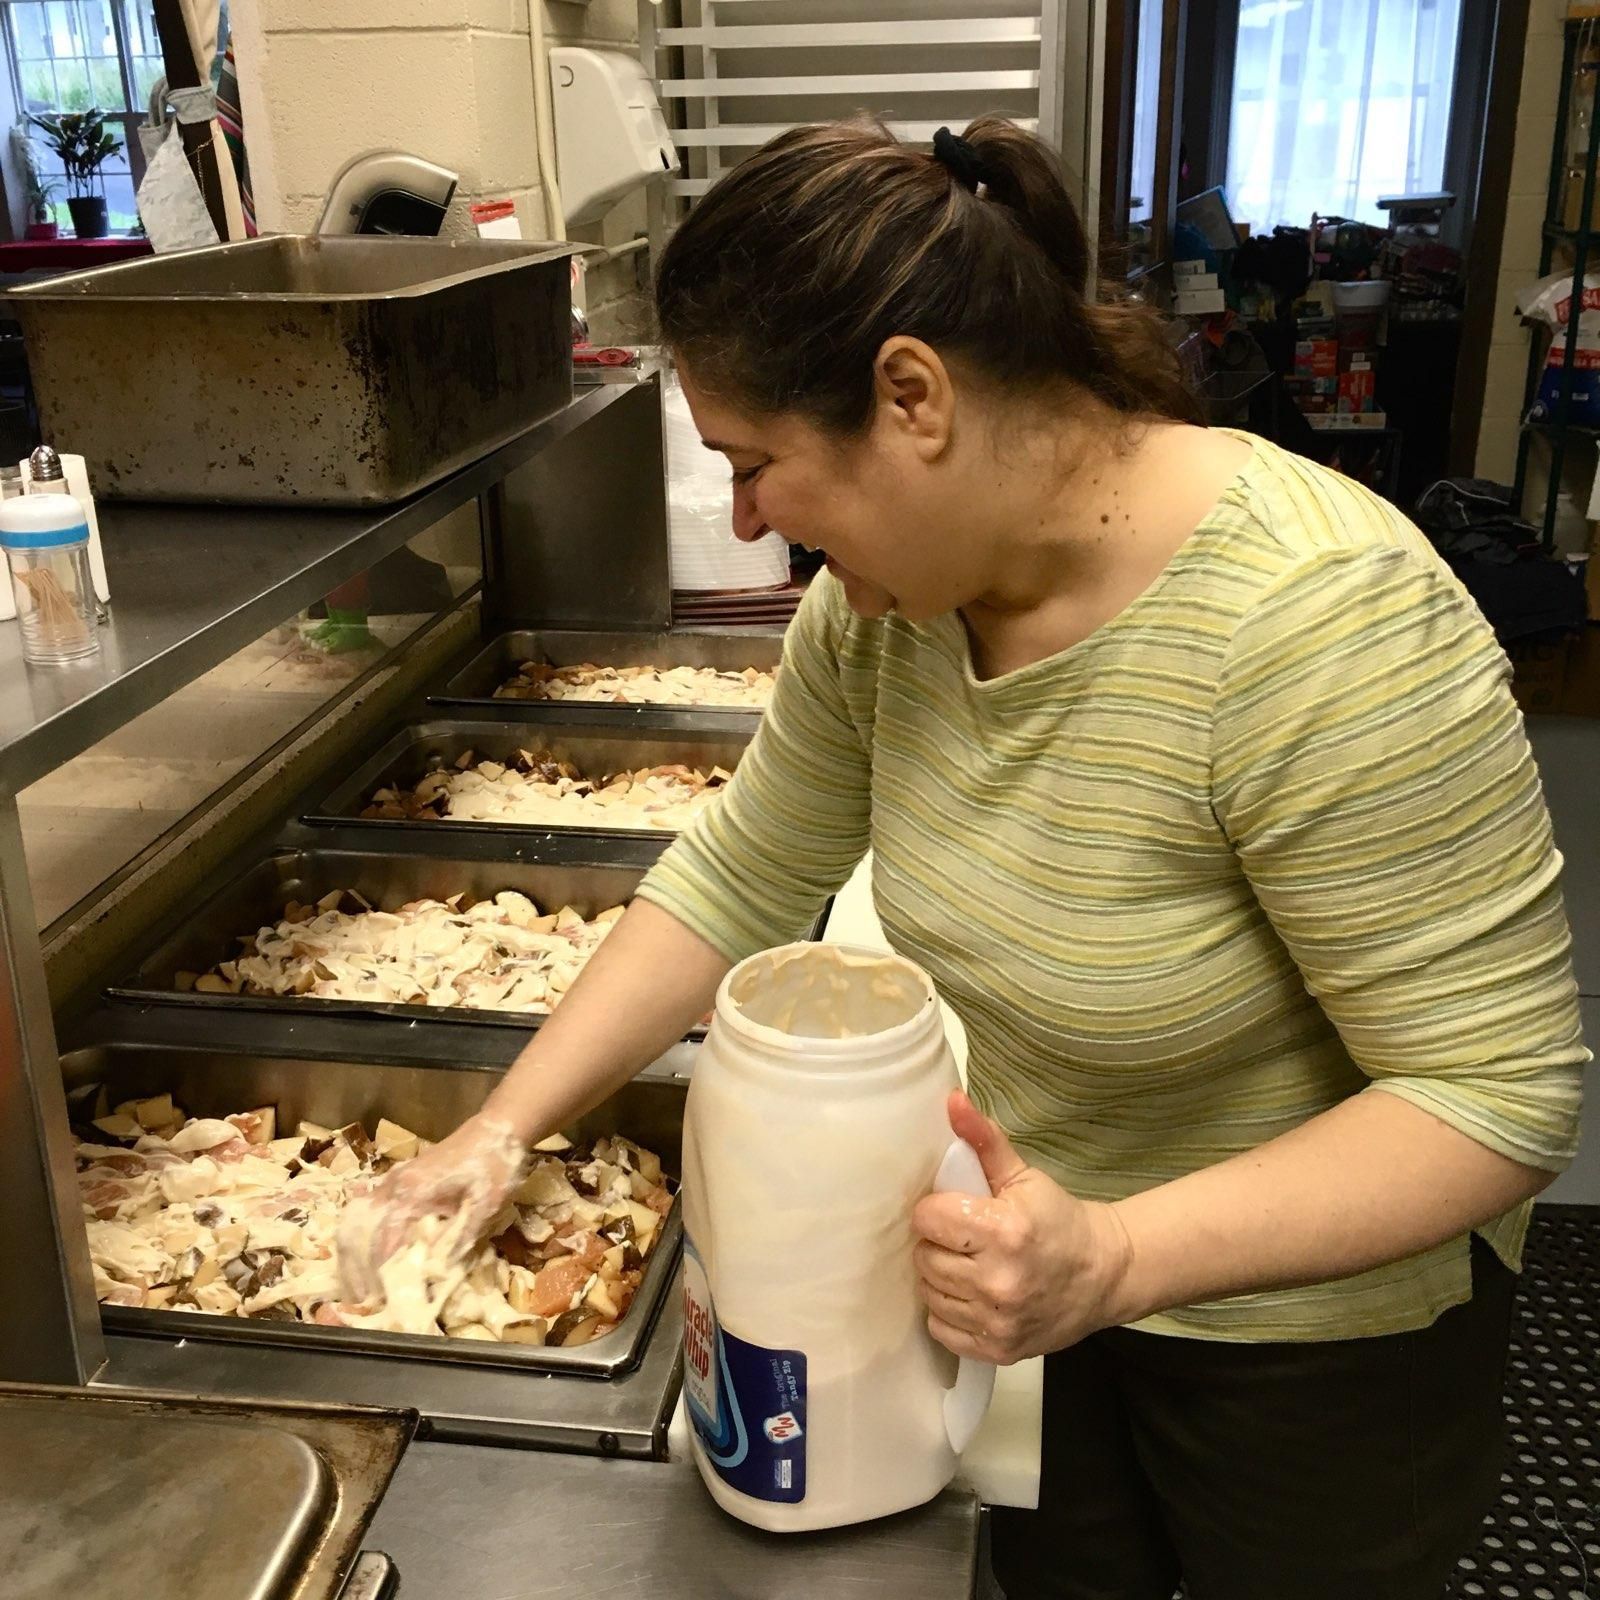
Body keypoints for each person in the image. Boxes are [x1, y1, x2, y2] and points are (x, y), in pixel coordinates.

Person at [343, 119, 1587, 1598]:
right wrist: (504, 1127)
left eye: (759, 464)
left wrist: (1117, 1258)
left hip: (1312, 1340)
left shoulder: (1319, 626)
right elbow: (738, 875)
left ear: (912, 397)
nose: (745, 519)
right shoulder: (887, 616)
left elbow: (1493, 1099)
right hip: (1035, 1280)